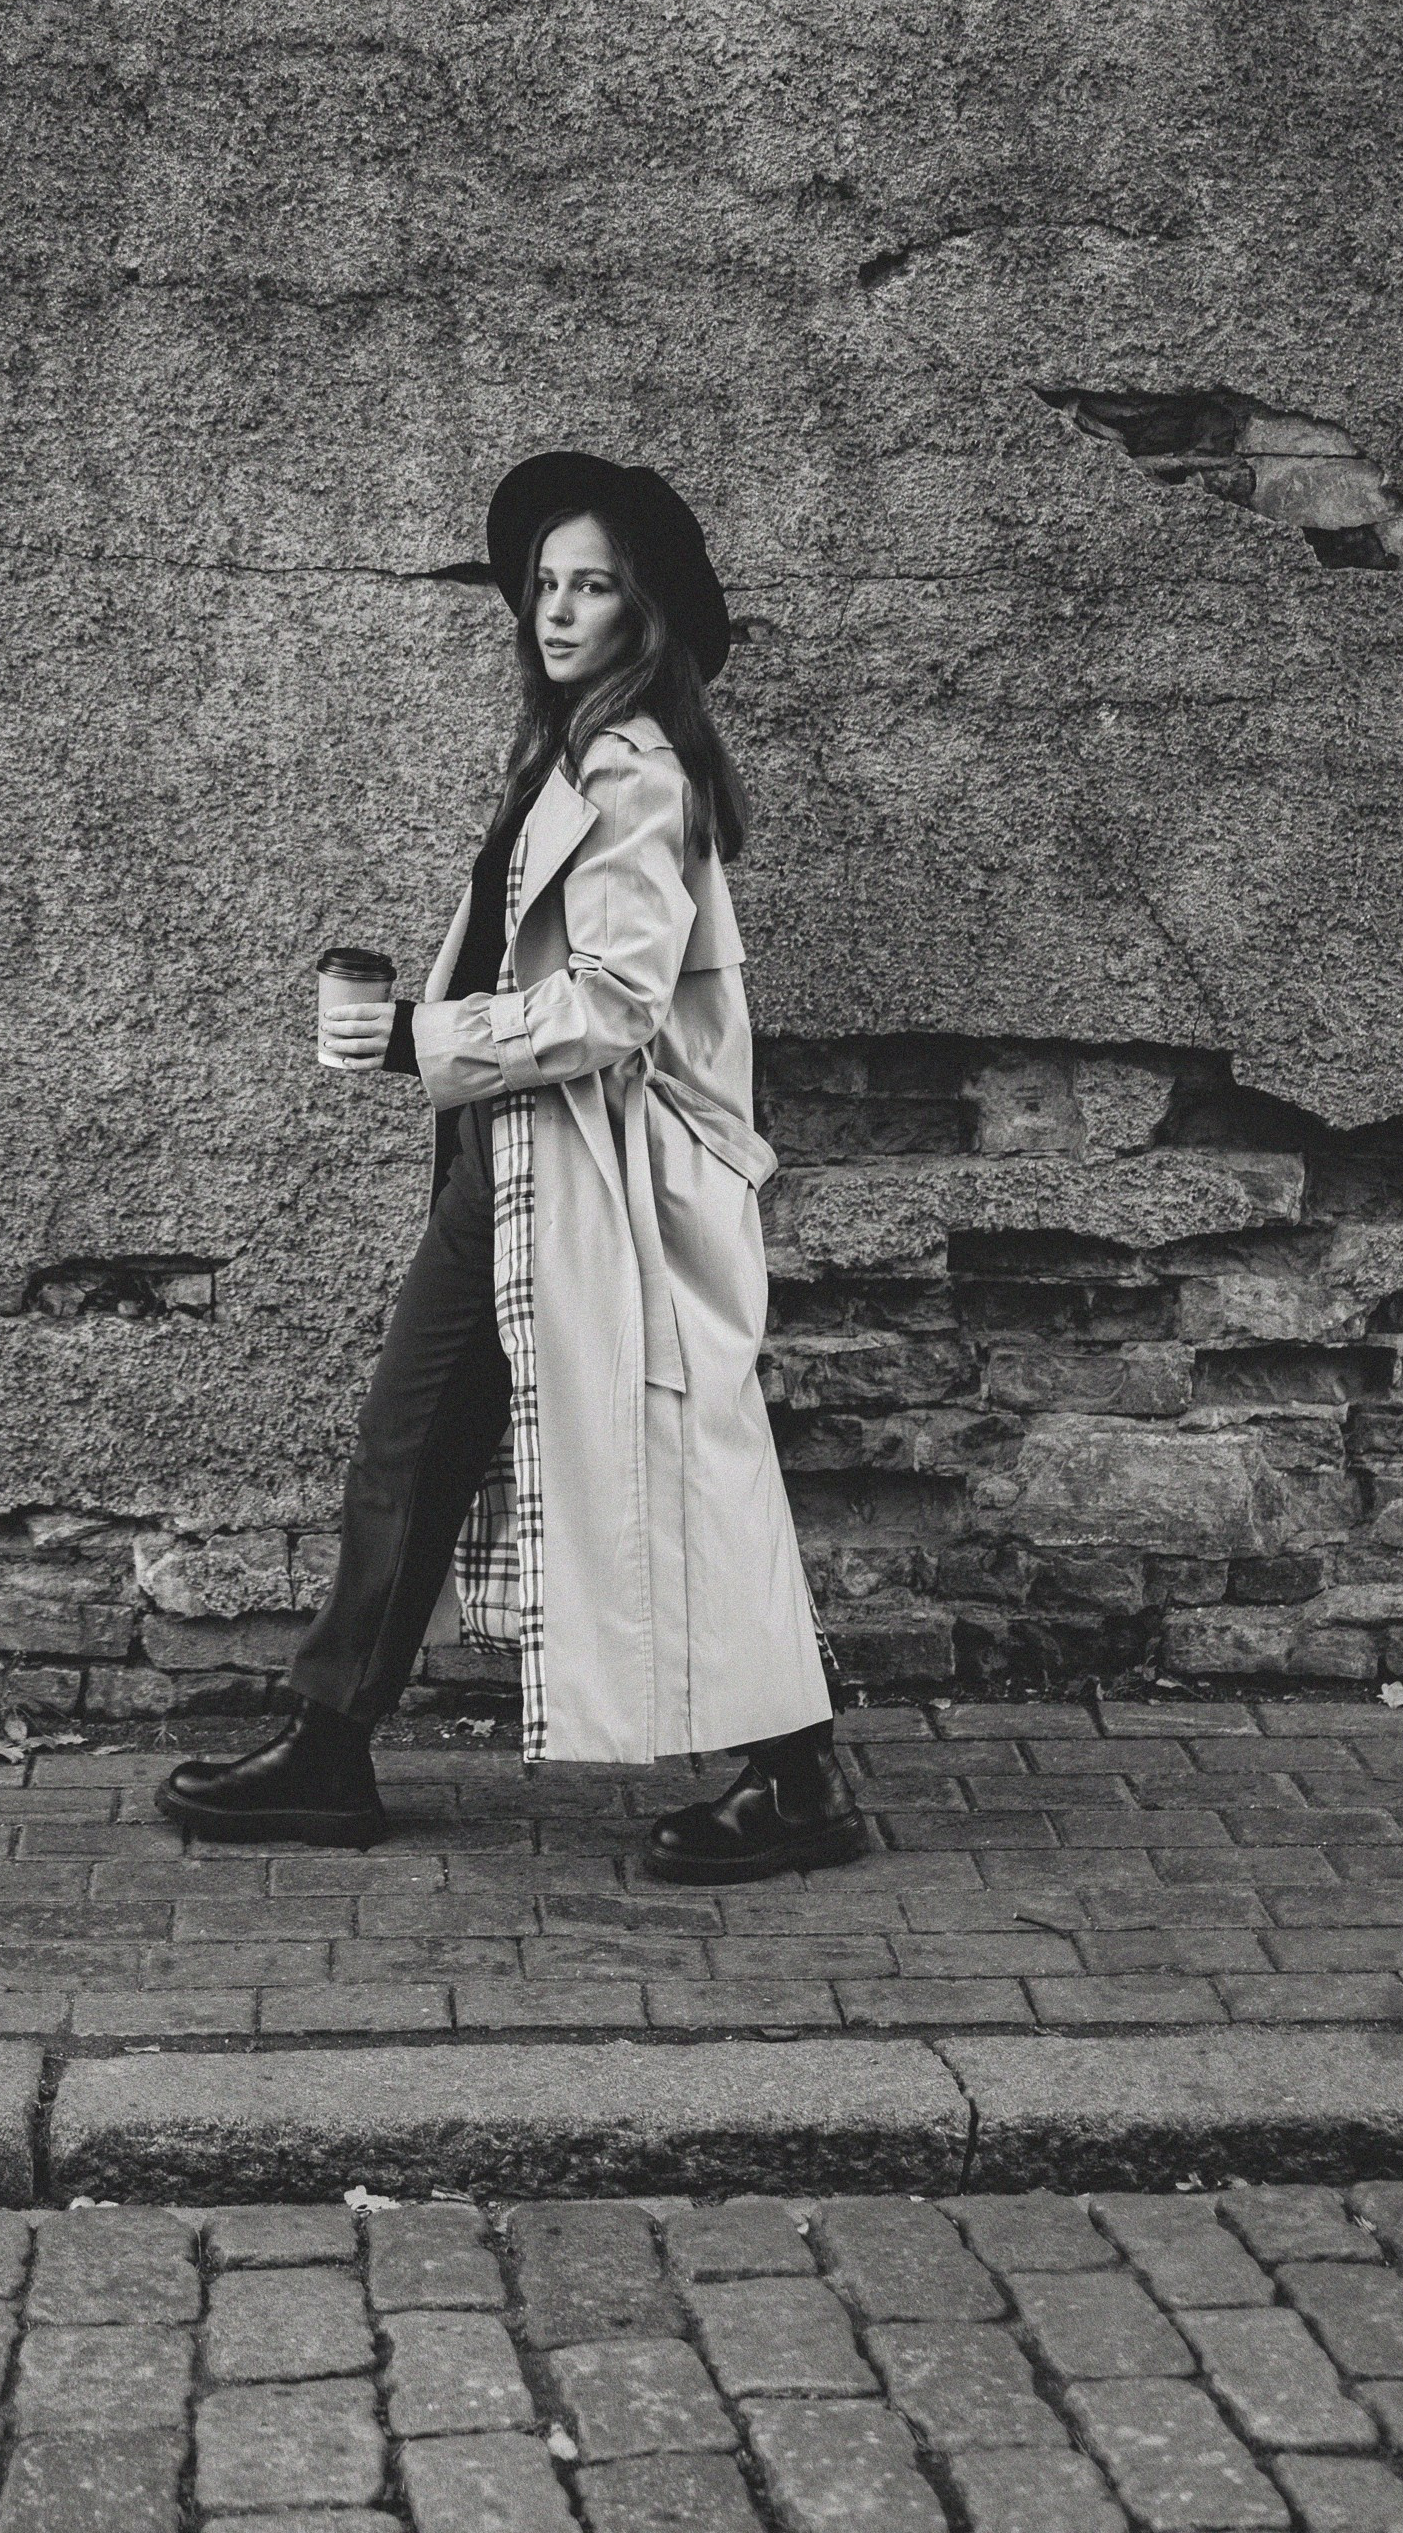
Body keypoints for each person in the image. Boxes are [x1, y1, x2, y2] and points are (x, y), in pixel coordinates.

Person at [158, 449, 863, 1884]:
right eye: (544, 584)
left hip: (605, 1174)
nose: (555, 610)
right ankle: (330, 1745)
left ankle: (799, 1781)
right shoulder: (558, 756)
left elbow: (611, 1002)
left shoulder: (636, 771)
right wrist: (420, 1040)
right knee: (410, 1447)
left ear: (639, 612)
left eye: (590, 585)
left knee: (682, 1458)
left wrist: (431, 1035)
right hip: (520, 1162)